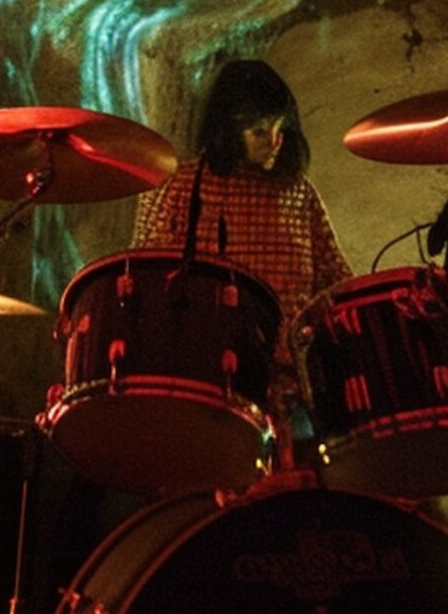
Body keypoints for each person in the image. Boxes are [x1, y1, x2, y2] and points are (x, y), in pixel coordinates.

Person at [132, 58, 352, 376]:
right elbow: (145, 279)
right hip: (204, 372)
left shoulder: (298, 193)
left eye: (280, 128)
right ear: (229, 131)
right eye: (259, 131)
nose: (275, 142)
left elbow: (336, 279)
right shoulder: (180, 187)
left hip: (288, 381)